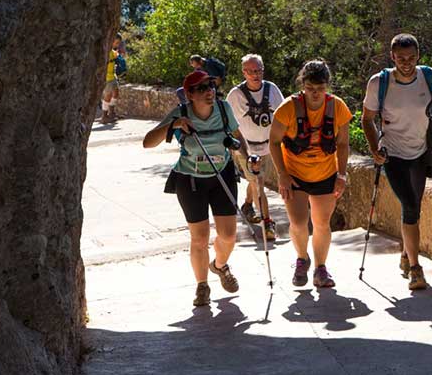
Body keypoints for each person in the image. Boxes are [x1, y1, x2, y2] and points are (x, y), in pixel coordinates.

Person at [142, 69, 251, 306]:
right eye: (201, 88)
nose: (209, 91)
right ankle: (202, 286)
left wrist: (248, 158)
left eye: (210, 86)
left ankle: (219, 266)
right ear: (190, 94)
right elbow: (147, 143)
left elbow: (236, 135)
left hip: (222, 175)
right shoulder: (181, 113)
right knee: (200, 238)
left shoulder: (223, 108)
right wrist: (174, 124)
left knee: (228, 235)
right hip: (190, 179)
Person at [361, 33, 432, 291]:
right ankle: (415, 269)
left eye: (411, 58)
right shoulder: (379, 83)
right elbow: (367, 119)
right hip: (393, 155)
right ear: (392, 57)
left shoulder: (431, 77)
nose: (407, 63)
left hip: (421, 152)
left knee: (414, 208)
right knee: (410, 205)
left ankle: (405, 253)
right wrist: (375, 148)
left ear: (418, 56)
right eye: (401, 58)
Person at [269, 60, 352, 288]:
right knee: (298, 222)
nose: (315, 94)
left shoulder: (338, 107)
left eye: (320, 88)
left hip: (326, 173)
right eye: (310, 88)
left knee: (322, 223)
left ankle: (320, 269)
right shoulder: (288, 108)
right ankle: (301, 258)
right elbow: (274, 142)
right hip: (294, 174)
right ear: (302, 86)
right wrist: (282, 174)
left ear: (327, 86)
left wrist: (341, 175)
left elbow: (343, 144)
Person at [226, 54, 284, 241]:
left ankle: (248, 205)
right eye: (250, 71)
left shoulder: (272, 90)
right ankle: (267, 223)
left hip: (269, 146)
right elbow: (229, 124)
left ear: (263, 70)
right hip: (247, 149)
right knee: (258, 184)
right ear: (244, 72)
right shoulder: (235, 96)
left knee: (258, 180)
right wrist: (238, 149)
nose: (255, 74)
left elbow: (284, 114)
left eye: (258, 70)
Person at [101, 34, 127, 124]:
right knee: (108, 96)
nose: (117, 45)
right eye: (116, 43)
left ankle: (112, 113)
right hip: (107, 77)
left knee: (116, 93)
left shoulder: (112, 51)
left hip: (113, 76)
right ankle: (104, 116)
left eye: (118, 43)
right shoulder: (106, 52)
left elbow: (118, 57)